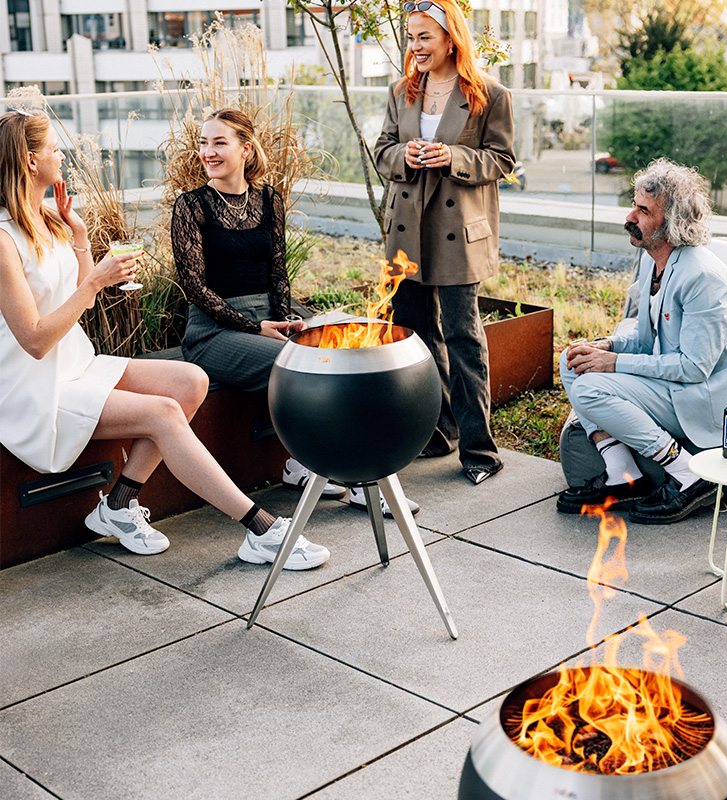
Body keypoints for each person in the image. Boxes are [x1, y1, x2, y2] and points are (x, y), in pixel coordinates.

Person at [0, 109, 328, 570]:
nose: (63, 156)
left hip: (75, 363)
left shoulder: (50, 220)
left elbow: (80, 301)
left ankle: (116, 506)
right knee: (164, 413)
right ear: (31, 161)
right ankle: (261, 530)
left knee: (190, 382)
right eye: (55, 149)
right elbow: (34, 340)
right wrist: (95, 281)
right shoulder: (3, 239)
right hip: (35, 386)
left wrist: (78, 233)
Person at [171, 108, 419, 519]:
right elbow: (196, 289)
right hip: (214, 330)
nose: (208, 152)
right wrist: (258, 327)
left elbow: (277, 271)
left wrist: (285, 319)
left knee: (346, 341)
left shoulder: (268, 198)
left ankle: (307, 465)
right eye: (203, 143)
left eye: (219, 142)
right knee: (299, 361)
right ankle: (358, 481)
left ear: (245, 149)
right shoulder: (191, 206)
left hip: (269, 317)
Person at [557, 158, 727, 524]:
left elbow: (694, 368)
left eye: (643, 210)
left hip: (704, 400)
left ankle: (689, 473)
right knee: (572, 361)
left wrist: (614, 364)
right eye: (634, 205)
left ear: (671, 224)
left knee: (590, 389)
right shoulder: (653, 260)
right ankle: (623, 475)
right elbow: (649, 338)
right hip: (672, 385)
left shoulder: (703, 278)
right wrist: (609, 348)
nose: (630, 217)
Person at [374, 0, 515, 485]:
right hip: (405, 233)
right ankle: (441, 429)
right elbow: (382, 151)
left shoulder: (489, 95)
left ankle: (479, 450)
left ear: (451, 38)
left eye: (423, 38)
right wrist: (405, 156)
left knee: (463, 337)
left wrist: (452, 155)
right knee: (415, 333)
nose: (414, 48)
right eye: (410, 38)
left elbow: (502, 160)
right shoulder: (401, 92)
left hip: (458, 234)